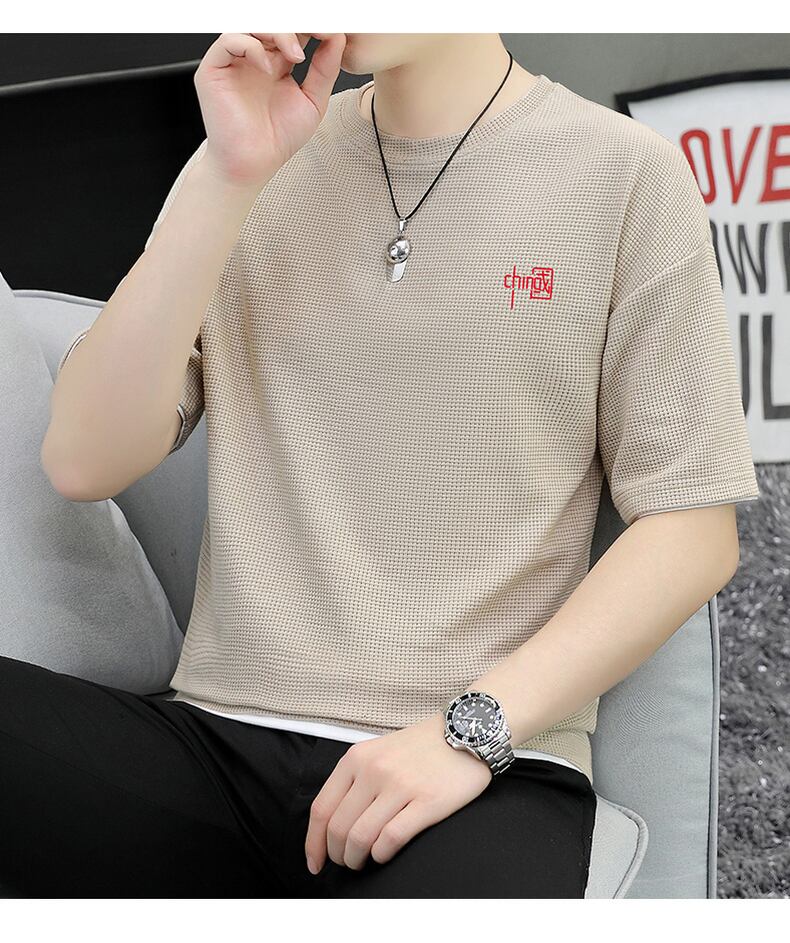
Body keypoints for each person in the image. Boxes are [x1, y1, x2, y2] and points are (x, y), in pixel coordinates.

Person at [4, 32, 759, 898]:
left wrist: (465, 733)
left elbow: (691, 530)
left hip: (479, 778)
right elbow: (83, 460)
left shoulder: (626, 175)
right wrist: (227, 173)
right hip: (216, 751)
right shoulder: (252, 162)